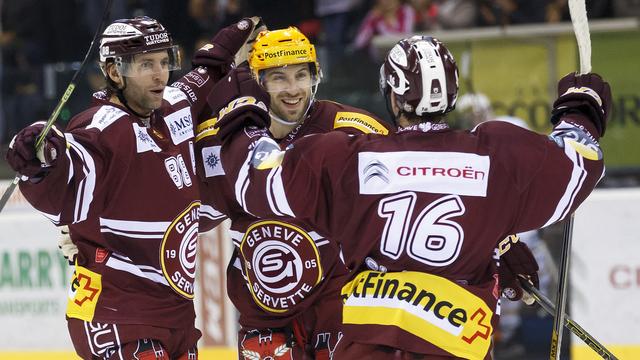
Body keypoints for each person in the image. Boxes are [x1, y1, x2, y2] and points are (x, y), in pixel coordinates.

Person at [207, 35, 611, 359]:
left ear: (395, 98)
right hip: (457, 343)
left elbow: (254, 181)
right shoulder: (497, 155)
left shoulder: (349, 156)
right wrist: (580, 110)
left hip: (370, 344)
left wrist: (243, 117)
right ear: (452, 95)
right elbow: (580, 164)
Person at [5, 16, 264, 359]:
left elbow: (200, 81)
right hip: (118, 313)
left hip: (175, 315)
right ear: (115, 72)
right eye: (146, 65)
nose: (161, 74)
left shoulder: (170, 107)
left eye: (164, 61)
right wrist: (42, 161)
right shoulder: (103, 129)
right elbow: (69, 170)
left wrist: (226, 47)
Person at [194, 26, 392, 359]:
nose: (293, 89)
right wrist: (83, 230)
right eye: (278, 78)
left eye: (301, 75)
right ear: (256, 81)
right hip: (264, 316)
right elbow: (178, 210)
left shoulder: (351, 129)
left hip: (338, 306)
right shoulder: (221, 136)